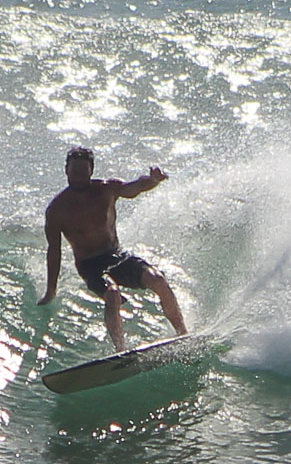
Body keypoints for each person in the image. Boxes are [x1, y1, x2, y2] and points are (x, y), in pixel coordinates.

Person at [37, 146, 188, 352]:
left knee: (158, 279)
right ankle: (120, 350)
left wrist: (153, 181)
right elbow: (54, 251)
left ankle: (183, 334)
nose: (78, 176)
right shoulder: (57, 210)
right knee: (112, 293)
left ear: (91, 170)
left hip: (117, 255)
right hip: (90, 265)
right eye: (74, 171)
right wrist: (50, 290)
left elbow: (134, 187)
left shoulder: (106, 189)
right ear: (66, 170)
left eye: (83, 171)